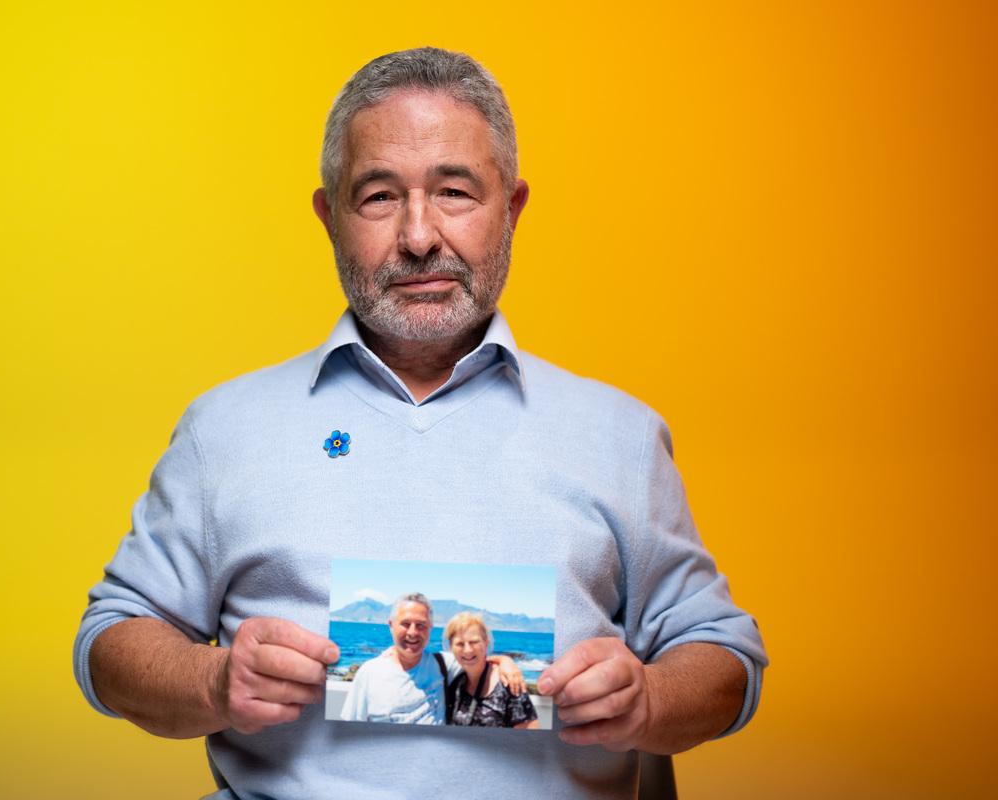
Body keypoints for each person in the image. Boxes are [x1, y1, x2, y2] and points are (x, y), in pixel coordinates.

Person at [74, 47, 767, 798]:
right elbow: (110, 642)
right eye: (377, 196)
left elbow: (724, 657)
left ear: (512, 206)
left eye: (455, 192)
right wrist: (212, 681)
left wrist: (652, 701)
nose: (418, 237)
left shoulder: (621, 436)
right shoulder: (223, 430)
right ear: (329, 216)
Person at [338, 594, 523, 724]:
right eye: (405, 624)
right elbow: (350, 728)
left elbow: (475, 659)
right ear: (391, 625)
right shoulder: (370, 673)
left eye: (420, 625)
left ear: (430, 629)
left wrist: (506, 662)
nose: (412, 632)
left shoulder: (443, 664)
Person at [444, 612, 538, 729]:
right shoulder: (456, 682)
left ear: (486, 643)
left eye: (474, 642)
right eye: (460, 644)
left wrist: (506, 660)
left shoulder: (508, 683)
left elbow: (530, 738)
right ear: (451, 648)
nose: (467, 650)